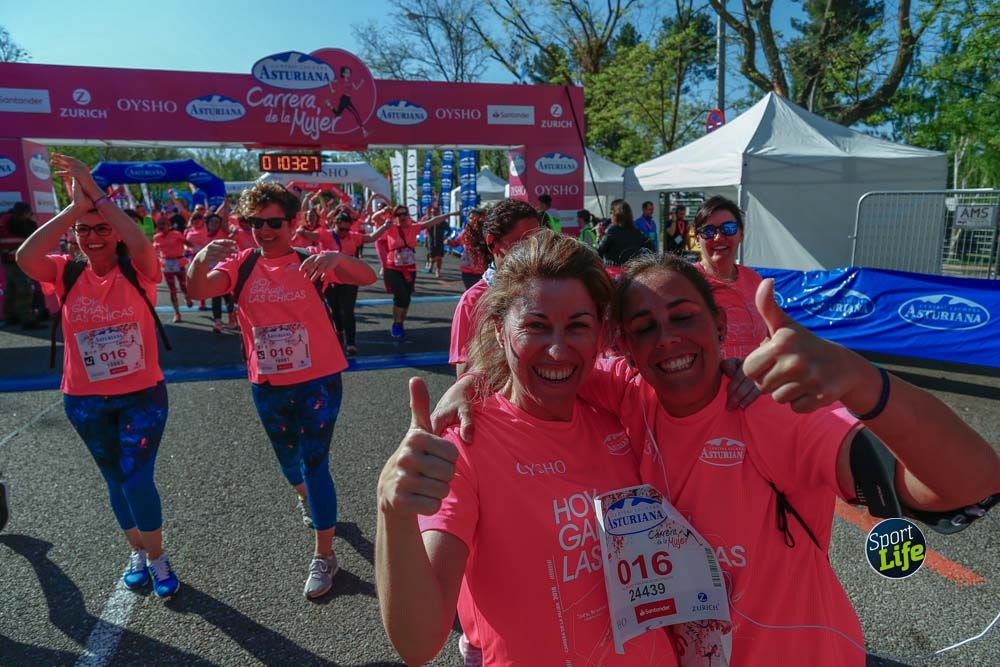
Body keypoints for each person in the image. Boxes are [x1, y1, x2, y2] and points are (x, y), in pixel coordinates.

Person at [595, 253, 1000, 665]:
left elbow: (967, 485)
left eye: (683, 317)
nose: (666, 338)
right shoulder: (631, 395)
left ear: (719, 325)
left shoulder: (773, 410)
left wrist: (859, 379)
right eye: (644, 328)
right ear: (625, 347)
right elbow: (560, 358)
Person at [376, 230, 678, 666]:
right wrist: (392, 512)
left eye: (578, 326)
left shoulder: (621, 415)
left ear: (599, 332)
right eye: (535, 326)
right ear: (500, 331)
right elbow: (418, 644)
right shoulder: (467, 443)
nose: (557, 349)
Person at [186, 181, 377, 600]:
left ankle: (324, 555)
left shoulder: (311, 261)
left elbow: (368, 275)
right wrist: (200, 260)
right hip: (269, 383)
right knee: (290, 463)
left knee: (314, 463)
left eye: (274, 222)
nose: (265, 230)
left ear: (292, 223)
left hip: (317, 381)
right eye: (256, 223)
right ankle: (306, 499)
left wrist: (336, 258)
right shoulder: (241, 265)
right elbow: (197, 289)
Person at [16, 154, 180, 598]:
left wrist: (97, 196)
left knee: (137, 477)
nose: (92, 237)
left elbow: (139, 241)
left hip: (141, 394)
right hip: (85, 399)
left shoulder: (138, 268)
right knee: (115, 479)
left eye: (102, 229)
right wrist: (75, 209)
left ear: (116, 230)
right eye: (84, 231)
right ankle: (138, 551)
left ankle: (158, 556)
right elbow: (25, 255)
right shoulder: (64, 271)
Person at [448, 199, 540, 376]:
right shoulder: (473, 301)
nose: (533, 251)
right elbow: (465, 372)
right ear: (492, 242)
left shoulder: (549, 289)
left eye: (537, 242)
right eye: (523, 243)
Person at [693, 196, 768, 359]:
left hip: (753, 374)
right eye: (708, 231)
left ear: (741, 234)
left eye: (728, 228)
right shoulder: (686, 283)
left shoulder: (755, 281)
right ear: (697, 239)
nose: (718, 237)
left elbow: (769, 336)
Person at [380, 204, 459, 340]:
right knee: (400, 296)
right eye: (399, 214)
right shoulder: (390, 228)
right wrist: (383, 212)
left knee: (406, 298)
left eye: (404, 213)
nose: (402, 216)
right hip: (393, 268)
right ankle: (396, 324)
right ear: (394, 216)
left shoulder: (414, 228)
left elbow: (433, 221)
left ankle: (400, 323)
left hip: (410, 268)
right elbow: (374, 219)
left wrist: (451, 214)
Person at [328, 210, 391, 356]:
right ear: (334, 224)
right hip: (330, 279)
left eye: (346, 229)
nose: (344, 233)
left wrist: (384, 227)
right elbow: (306, 236)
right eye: (341, 229)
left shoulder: (353, 236)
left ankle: (351, 343)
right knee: (335, 310)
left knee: (348, 310)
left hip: (350, 278)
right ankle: (339, 334)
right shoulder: (325, 235)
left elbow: (371, 237)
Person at [1, 202, 41, 328]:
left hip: (8, 260)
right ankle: (27, 320)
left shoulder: (4, 219)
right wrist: (32, 222)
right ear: (24, 213)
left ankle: (10, 317)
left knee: (11, 289)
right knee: (25, 290)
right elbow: (32, 232)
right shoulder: (16, 222)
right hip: (15, 260)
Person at [596, 199, 654, 280]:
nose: (610, 215)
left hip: (613, 274)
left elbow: (599, 251)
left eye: (611, 213)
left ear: (616, 214)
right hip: (632, 274)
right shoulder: (636, 231)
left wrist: (599, 236)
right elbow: (651, 246)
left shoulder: (612, 230)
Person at [152, 215, 192, 322]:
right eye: (159, 224)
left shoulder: (176, 234)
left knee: (183, 286)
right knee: (172, 289)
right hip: (167, 264)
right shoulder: (157, 237)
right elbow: (154, 250)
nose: (161, 226)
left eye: (163, 224)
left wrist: (188, 245)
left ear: (169, 225)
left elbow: (189, 244)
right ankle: (177, 313)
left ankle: (187, 297)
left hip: (179, 262)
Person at [205, 212, 235, 333]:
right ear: (207, 223)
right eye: (212, 221)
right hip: (211, 272)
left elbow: (224, 217)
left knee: (228, 297)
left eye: (217, 222)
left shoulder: (222, 233)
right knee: (215, 297)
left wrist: (226, 203)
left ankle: (232, 319)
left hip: (225, 271)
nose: (214, 224)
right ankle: (218, 323)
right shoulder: (204, 235)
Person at [446, 208, 487, 290]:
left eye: (476, 218)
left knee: (481, 294)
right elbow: (456, 243)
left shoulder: (486, 233)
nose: (474, 220)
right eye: (471, 218)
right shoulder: (465, 233)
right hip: (467, 270)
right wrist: (448, 242)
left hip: (482, 271)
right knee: (471, 292)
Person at [423, 203, 448, 278]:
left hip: (439, 241)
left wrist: (445, 236)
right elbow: (421, 226)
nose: (433, 213)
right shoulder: (428, 220)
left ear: (438, 212)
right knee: (431, 256)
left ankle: (438, 270)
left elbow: (449, 230)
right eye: (432, 212)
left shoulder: (442, 221)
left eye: (435, 212)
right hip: (431, 241)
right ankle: (431, 265)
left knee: (439, 257)